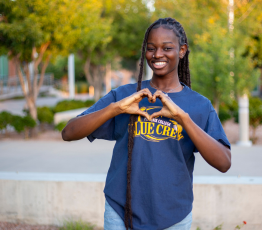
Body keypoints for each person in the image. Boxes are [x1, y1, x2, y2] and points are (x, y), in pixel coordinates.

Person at [62, 18, 231, 230]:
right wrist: (116, 108)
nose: (157, 54)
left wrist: (184, 119)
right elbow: (68, 132)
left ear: (182, 50)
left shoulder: (199, 106)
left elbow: (224, 163)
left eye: (167, 48)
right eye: (151, 48)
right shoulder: (124, 96)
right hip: (120, 212)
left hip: (173, 217)